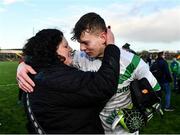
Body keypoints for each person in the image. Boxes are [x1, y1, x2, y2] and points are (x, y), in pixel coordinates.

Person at [17, 12, 161, 134]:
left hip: (123, 130)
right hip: (95, 127)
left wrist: (142, 114)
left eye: (85, 42)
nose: (81, 48)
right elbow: (50, 61)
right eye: (79, 43)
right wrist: (24, 64)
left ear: (103, 38)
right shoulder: (79, 58)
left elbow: (156, 92)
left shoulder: (131, 61)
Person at [21, 28, 120, 134]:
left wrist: (22, 64)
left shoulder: (33, 73)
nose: (70, 49)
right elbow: (104, 84)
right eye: (65, 46)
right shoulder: (56, 78)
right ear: (51, 50)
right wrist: (111, 46)